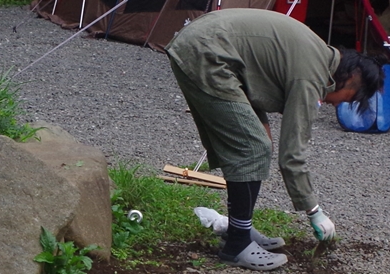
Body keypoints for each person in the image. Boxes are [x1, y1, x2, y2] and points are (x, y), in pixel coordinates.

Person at [165, 8, 386, 271]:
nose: (337, 104)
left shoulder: (317, 57)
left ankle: (241, 230)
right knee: (253, 147)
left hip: (211, 47)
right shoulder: (311, 76)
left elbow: (256, 76)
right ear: (352, 79)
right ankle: (237, 245)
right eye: (349, 99)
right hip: (206, 53)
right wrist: (314, 211)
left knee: (259, 144)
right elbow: (292, 154)